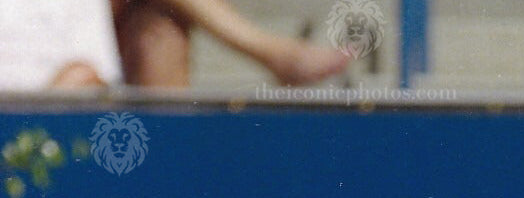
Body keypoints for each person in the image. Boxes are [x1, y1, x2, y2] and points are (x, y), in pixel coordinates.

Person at [0, 0, 349, 91]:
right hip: (30, 110)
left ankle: (170, 181)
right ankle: (276, 54)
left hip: (82, 92)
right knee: (79, 80)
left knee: (162, 29)